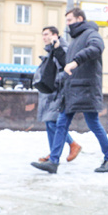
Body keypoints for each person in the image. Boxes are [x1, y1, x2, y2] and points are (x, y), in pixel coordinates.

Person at [31, 7, 108, 174]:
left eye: (69, 20)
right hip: (72, 89)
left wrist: (76, 61)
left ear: (79, 19)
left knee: (93, 124)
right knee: (61, 123)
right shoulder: (75, 39)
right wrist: (57, 50)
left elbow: (97, 48)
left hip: (86, 89)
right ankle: (53, 162)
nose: (67, 24)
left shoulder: (91, 34)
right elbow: (66, 63)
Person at [36, 26, 81, 163]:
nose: (44, 37)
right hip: (50, 91)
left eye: (47, 34)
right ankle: (53, 153)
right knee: (49, 122)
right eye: (43, 35)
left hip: (59, 91)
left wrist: (55, 82)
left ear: (55, 35)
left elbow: (67, 67)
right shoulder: (50, 49)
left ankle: (73, 144)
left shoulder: (62, 48)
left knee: (54, 122)